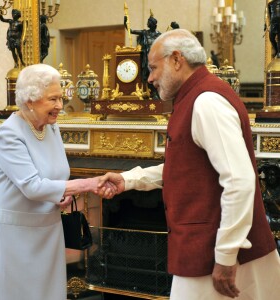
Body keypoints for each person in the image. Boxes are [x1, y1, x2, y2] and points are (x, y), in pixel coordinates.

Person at [99, 29, 280, 299]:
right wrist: (130, 180)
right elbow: (189, 167)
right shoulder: (194, 97)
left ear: (176, 59)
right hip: (207, 251)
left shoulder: (206, 101)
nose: (149, 78)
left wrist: (226, 254)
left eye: (152, 67)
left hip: (216, 256)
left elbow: (239, 180)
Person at [0, 64, 113, 300]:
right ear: (30, 101)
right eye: (53, 99)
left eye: (61, 98)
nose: (59, 106)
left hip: (48, 226)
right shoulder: (9, 134)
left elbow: (56, 174)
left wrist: (62, 194)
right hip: (16, 232)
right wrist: (86, 185)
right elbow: (32, 186)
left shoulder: (51, 128)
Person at [124, 12, 161, 99]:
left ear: (153, 24)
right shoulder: (144, 33)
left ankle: (156, 92)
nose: (148, 24)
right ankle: (152, 93)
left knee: (157, 75)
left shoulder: (159, 34)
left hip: (157, 59)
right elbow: (131, 31)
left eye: (150, 23)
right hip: (147, 58)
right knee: (148, 75)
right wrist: (125, 23)